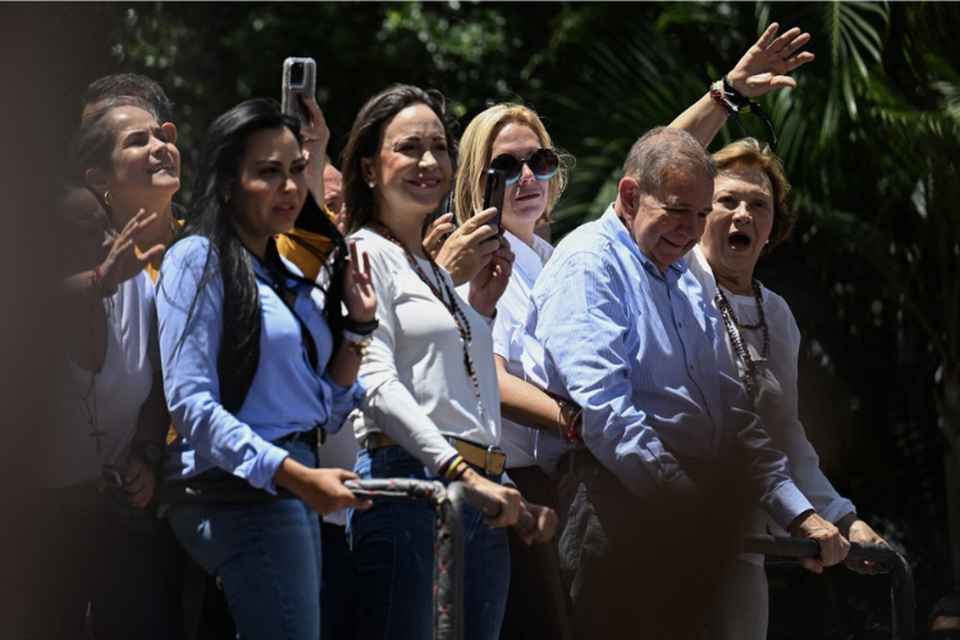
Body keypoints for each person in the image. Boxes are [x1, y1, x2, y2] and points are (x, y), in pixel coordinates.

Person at [521, 126, 849, 639]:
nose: (693, 231)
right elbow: (608, 414)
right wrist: (687, 508)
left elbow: (735, 415)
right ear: (630, 196)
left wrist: (800, 515)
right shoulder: (590, 261)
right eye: (679, 211)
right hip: (614, 502)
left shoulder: (682, 279)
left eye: (700, 215)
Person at [340, 84, 556, 640]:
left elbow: (461, 396)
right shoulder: (363, 253)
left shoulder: (429, 270)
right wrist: (461, 472)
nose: (429, 160)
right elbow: (378, 386)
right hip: (410, 489)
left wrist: (477, 313)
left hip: (481, 497)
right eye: (409, 147)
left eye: (439, 146)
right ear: (368, 166)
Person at [156, 98, 372, 638]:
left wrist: (359, 329)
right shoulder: (196, 258)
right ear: (227, 183)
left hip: (290, 485)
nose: (291, 187)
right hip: (244, 490)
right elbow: (192, 406)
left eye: (297, 169)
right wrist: (294, 475)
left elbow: (324, 407)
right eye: (268, 172)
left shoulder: (283, 277)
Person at [685, 137, 889, 637]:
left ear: (773, 226)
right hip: (663, 528)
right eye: (727, 200)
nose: (743, 214)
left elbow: (785, 438)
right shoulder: (670, 283)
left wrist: (842, 518)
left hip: (745, 541)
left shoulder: (777, 313)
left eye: (759, 205)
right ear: (697, 212)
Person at [26, 186, 183, 639]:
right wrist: (98, 280)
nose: (106, 241)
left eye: (106, 226)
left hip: (117, 515)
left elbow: (156, 383)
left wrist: (148, 454)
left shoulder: (134, 284)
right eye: (85, 232)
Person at [452, 103, 576, 639]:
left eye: (539, 160)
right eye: (505, 166)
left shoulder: (557, 258)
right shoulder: (480, 262)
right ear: (477, 183)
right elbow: (491, 380)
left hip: (564, 484)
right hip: (512, 487)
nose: (527, 177)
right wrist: (580, 423)